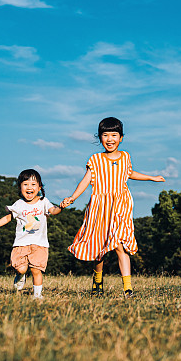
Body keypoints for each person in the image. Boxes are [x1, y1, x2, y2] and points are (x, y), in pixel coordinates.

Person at [60, 117, 165, 298]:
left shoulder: (125, 157)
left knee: (120, 245)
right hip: (100, 209)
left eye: (114, 135)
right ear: (100, 137)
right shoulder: (95, 159)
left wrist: (151, 178)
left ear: (121, 138)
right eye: (105, 135)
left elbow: (129, 173)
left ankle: (128, 289)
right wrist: (72, 197)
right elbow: (85, 181)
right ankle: (97, 282)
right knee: (99, 248)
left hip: (121, 207)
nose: (110, 139)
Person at [0, 169, 62, 299]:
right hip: (21, 243)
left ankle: (37, 296)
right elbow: (7, 218)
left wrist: (61, 206)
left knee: (36, 270)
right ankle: (20, 275)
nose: (29, 187)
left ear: (39, 187)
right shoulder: (19, 204)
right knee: (21, 268)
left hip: (39, 244)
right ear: (20, 187)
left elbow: (53, 211)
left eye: (33, 184)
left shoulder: (43, 201)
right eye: (25, 184)